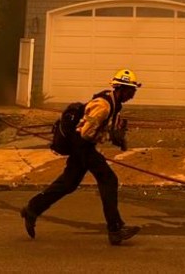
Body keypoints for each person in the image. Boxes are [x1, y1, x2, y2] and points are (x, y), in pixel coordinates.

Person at [21, 69, 142, 246]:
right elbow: (86, 134)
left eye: (134, 91)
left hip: (83, 146)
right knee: (109, 179)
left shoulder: (115, 104)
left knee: (68, 184)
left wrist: (116, 137)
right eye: (131, 91)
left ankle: (32, 209)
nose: (132, 95)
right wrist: (109, 137)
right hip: (82, 145)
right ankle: (115, 229)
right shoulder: (104, 106)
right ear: (120, 89)